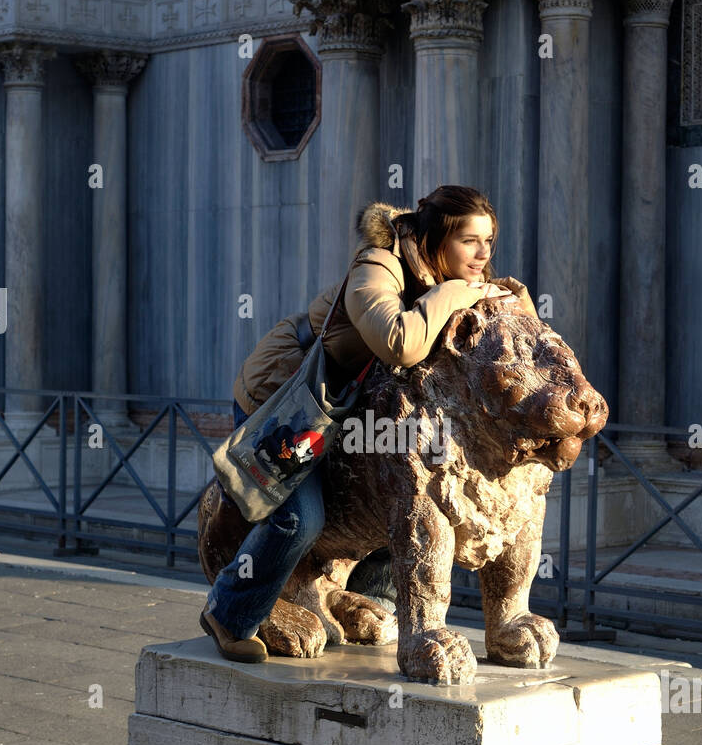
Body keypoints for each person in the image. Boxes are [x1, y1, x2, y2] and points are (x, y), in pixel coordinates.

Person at [200, 184, 538, 662]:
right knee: (300, 518)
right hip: (292, 402)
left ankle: (369, 598)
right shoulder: (377, 267)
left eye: (489, 240)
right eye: (469, 240)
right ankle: (230, 612)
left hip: (360, 407)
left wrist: (515, 303)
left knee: (405, 490)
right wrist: (450, 294)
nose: (483, 253)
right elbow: (398, 342)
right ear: (438, 238)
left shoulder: (461, 280)